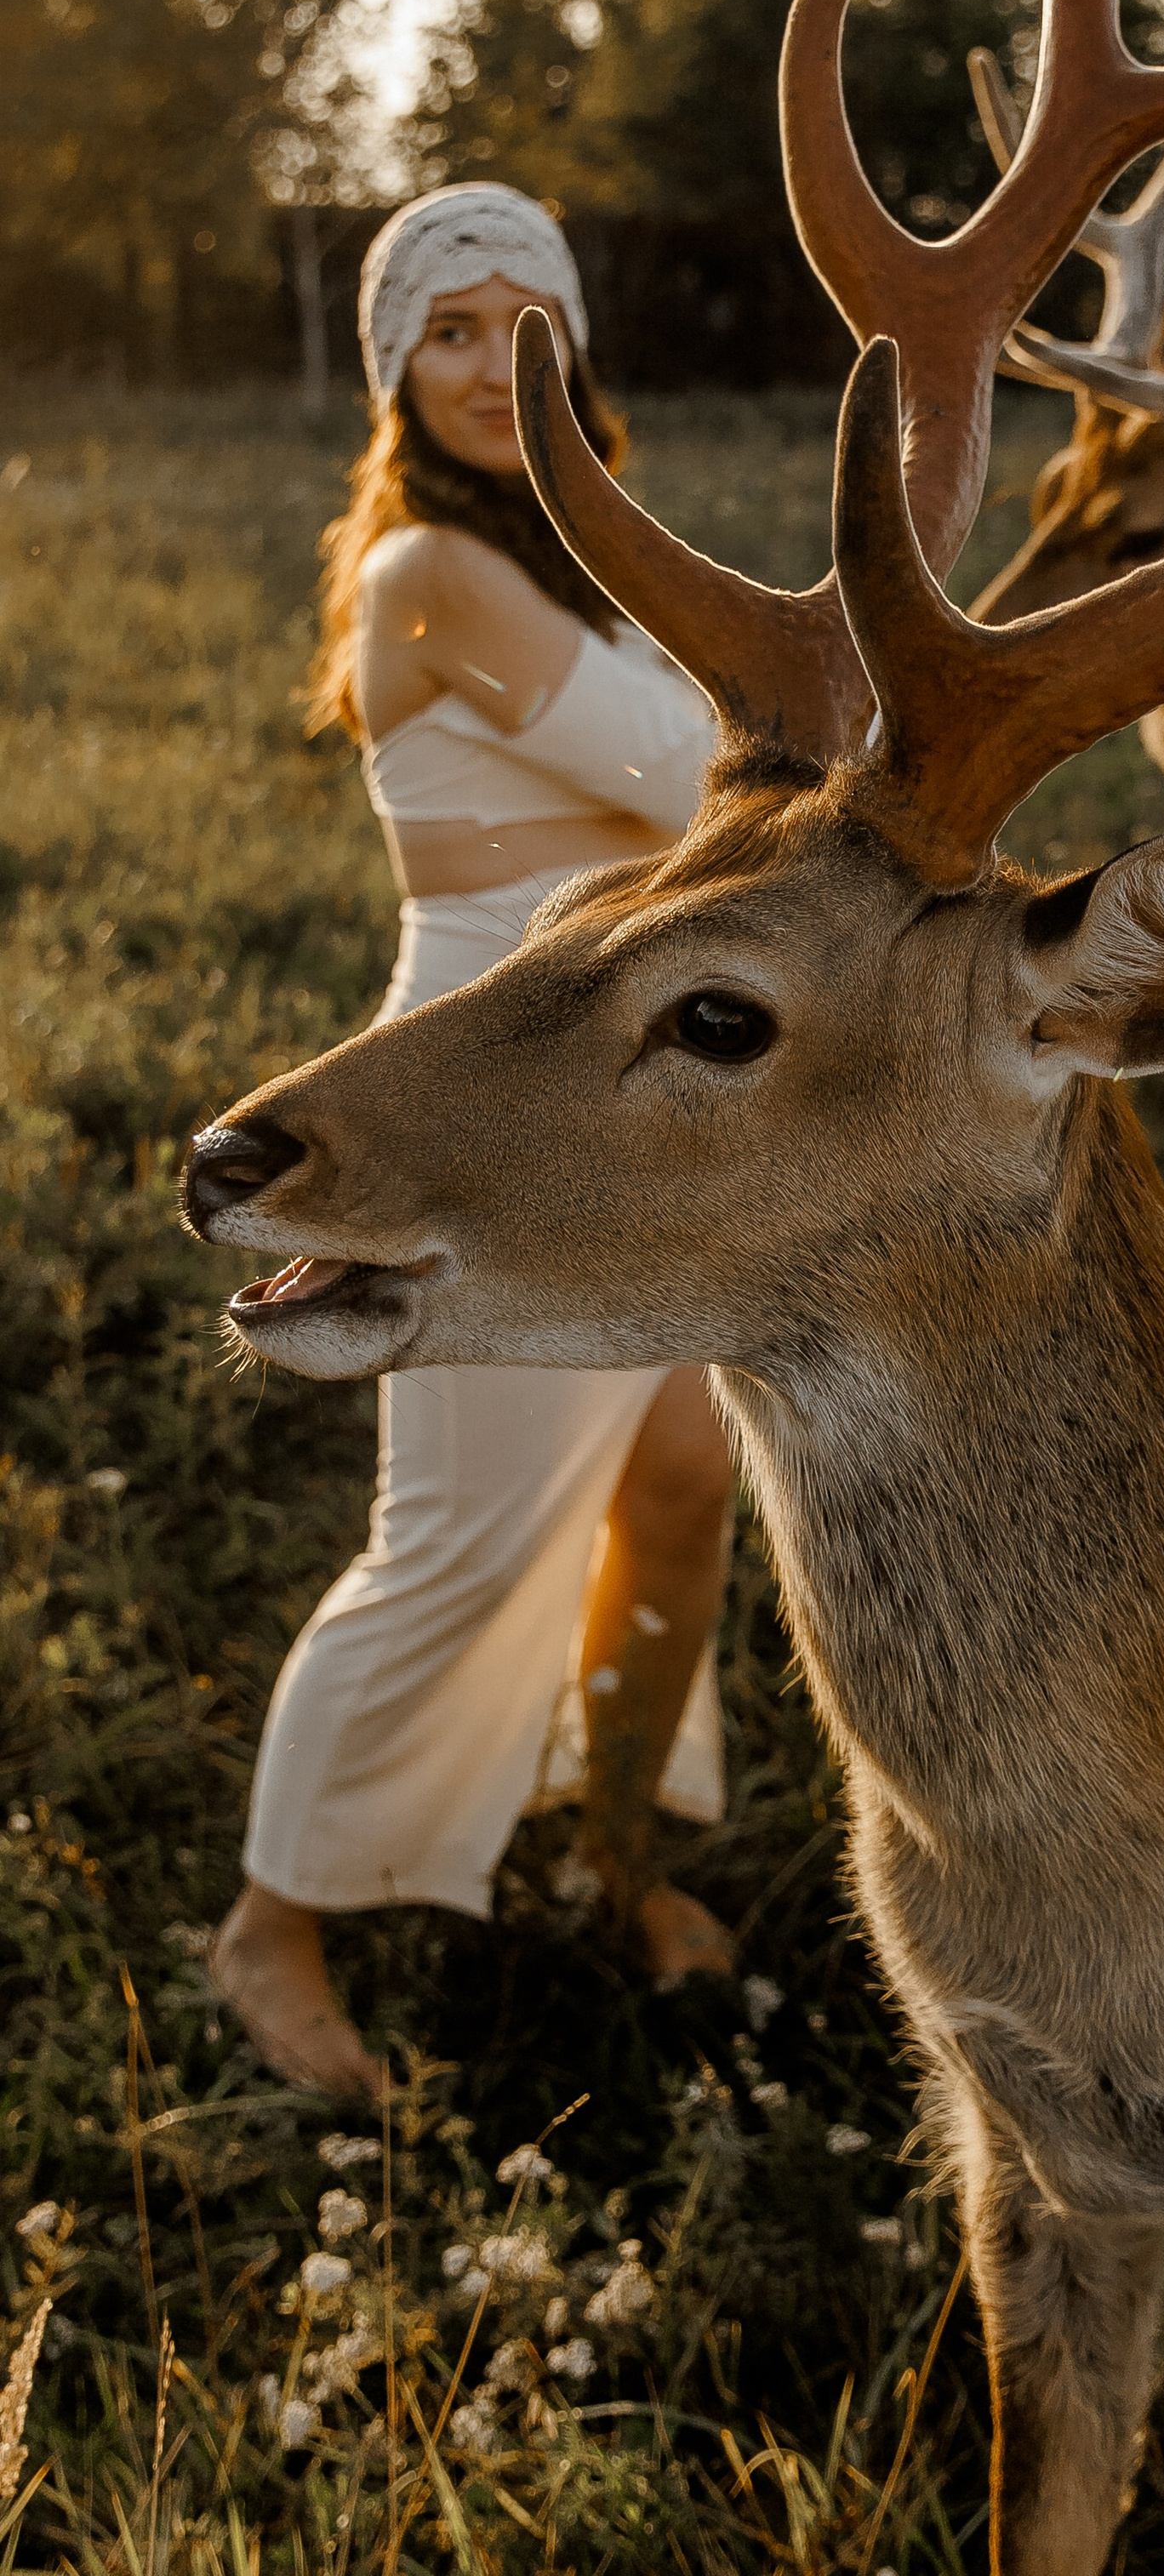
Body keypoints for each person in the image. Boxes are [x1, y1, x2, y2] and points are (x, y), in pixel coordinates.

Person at [211, 184, 739, 2096]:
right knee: (449, 1538)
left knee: (681, 1478)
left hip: (621, 1097)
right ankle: (270, 1934)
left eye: (529, 323)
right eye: (451, 327)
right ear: (395, 368)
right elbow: (692, 779)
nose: (494, 360)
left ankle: (608, 1858)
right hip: (474, 1110)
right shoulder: (428, 570)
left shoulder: (602, 564)